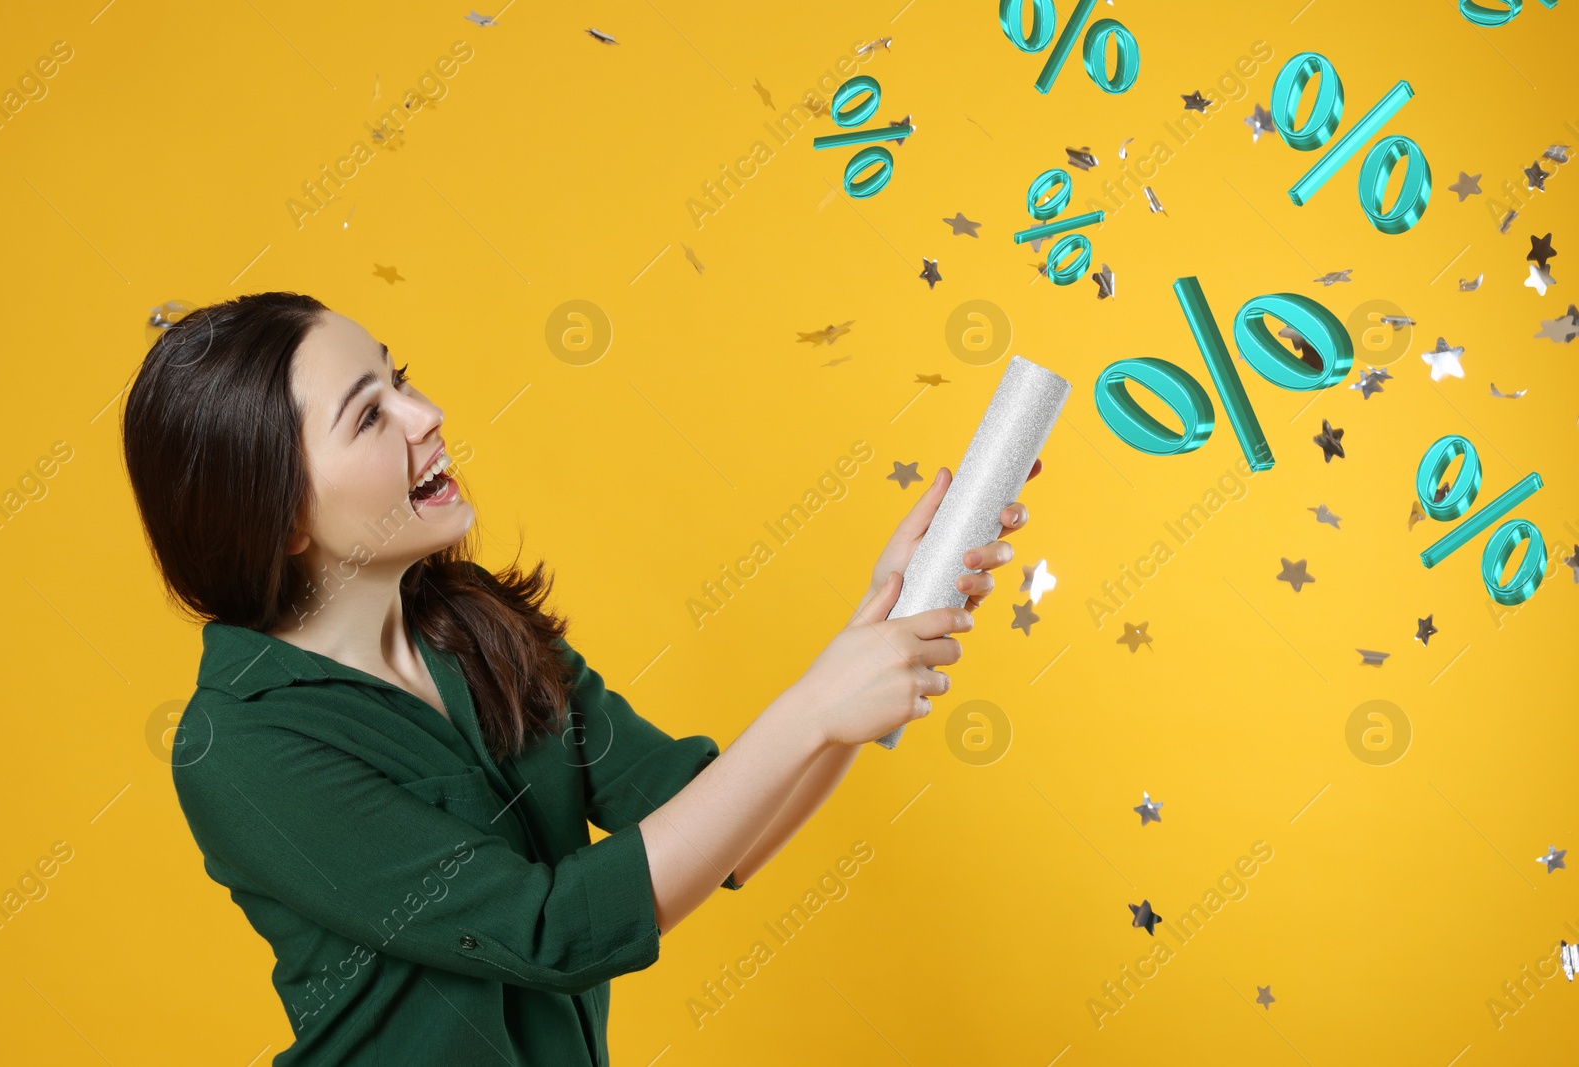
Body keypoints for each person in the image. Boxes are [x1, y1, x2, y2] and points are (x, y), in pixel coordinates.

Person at [120, 291, 1036, 1065]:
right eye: (369, 415)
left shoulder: (480, 628)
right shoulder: (240, 749)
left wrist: (889, 619)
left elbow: (725, 832)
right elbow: (548, 931)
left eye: (398, 378)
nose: (426, 413)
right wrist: (811, 710)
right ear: (278, 517)